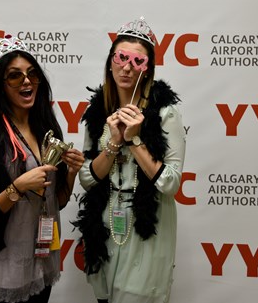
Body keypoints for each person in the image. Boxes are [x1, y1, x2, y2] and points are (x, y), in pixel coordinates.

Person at [0, 34, 85, 303]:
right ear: (0, 84)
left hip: (42, 258)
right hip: (8, 263)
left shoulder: (47, 129)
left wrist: (72, 173)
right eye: (15, 76)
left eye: (32, 74)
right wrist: (18, 187)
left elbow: (56, 201)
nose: (26, 81)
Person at [73, 17, 186, 303]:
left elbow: (170, 183)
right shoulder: (98, 112)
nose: (126, 67)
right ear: (110, 61)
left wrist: (134, 141)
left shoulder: (166, 114)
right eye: (121, 58)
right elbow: (86, 178)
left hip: (146, 226)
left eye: (137, 61)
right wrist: (113, 143)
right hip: (106, 220)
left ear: (148, 69)